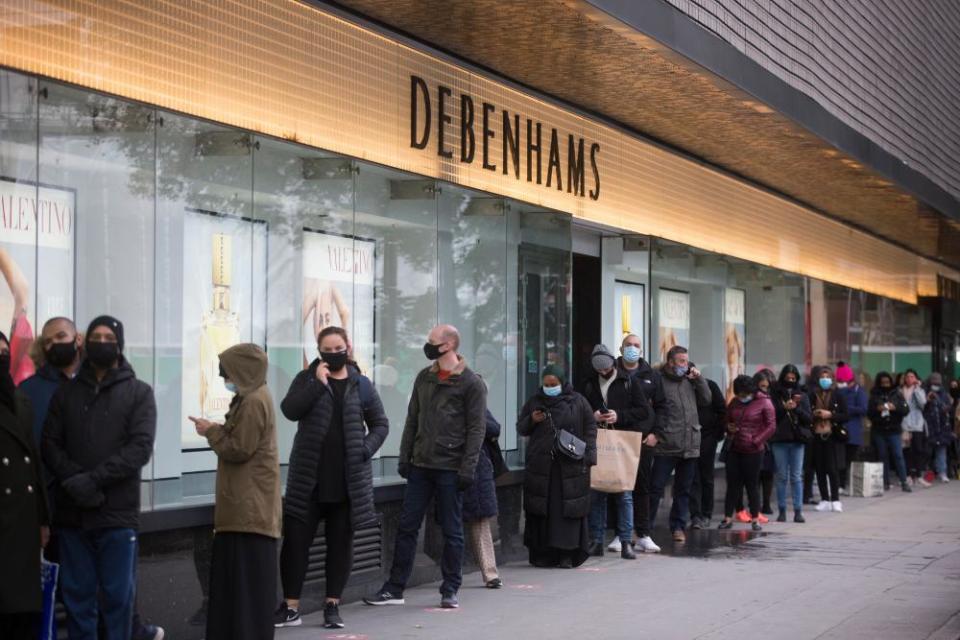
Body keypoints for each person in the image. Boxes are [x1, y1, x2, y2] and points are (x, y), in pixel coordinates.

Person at [23, 318, 163, 640]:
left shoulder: (139, 393)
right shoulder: (66, 393)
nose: (102, 341)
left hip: (116, 517)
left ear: (119, 343)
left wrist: (93, 481)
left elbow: (139, 449)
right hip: (73, 518)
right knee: (78, 601)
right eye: (96, 336)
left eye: (108, 337)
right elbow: (50, 444)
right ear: (85, 343)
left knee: (118, 601)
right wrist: (75, 480)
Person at [273, 328, 388, 630]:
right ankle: (291, 607)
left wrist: (365, 449)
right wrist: (316, 384)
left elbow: (380, 424)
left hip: (348, 482)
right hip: (308, 480)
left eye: (338, 347)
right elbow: (289, 410)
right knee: (295, 543)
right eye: (327, 348)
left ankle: (332, 605)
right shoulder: (306, 379)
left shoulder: (361, 384)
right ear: (319, 350)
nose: (333, 352)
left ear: (348, 347)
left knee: (340, 545)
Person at [364, 325, 486, 610]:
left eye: (432, 341)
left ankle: (450, 588)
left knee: (451, 530)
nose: (427, 345)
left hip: (450, 467)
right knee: (407, 526)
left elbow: (476, 429)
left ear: (448, 345)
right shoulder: (424, 377)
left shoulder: (470, 383)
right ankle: (395, 588)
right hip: (421, 465)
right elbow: (412, 419)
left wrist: (467, 468)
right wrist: (405, 456)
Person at [189, 343, 280, 640]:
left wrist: (211, 432)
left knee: (243, 586)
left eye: (226, 372)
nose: (224, 379)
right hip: (246, 509)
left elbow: (240, 449)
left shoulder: (253, 400)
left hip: (248, 510)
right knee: (241, 586)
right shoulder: (251, 397)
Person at [517, 365, 597, 568]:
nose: (550, 388)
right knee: (542, 510)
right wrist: (532, 420)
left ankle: (567, 554)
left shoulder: (577, 401)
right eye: (546, 385)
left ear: (562, 383)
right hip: (542, 466)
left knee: (566, 510)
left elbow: (589, 428)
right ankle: (544, 554)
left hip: (569, 466)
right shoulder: (535, 401)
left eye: (554, 385)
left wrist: (589, 457)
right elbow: (521, 428)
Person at [0, 331, 51, 639]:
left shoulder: (20, 400)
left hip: (22, 524)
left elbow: (33, 461)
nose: (1, 357)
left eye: (4, 352)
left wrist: (43, 518)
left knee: (21, 615)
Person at [579, 344, 648, 559]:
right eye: (599, 369)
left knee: (624, 494)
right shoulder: (588, 383)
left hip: (621, 442)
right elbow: (579, 412)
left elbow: (644, 411)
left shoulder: (629, 382)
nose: (603, 372)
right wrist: (593, 416)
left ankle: (626, 541)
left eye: (606, 368)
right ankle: (596, 541)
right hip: (597, 441)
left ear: (612, 363)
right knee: (596, 492)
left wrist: (619, 416)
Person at [647, 346, 710, 543]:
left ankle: (678, 527)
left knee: (683, 490)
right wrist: (656, 433)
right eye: (681, 361)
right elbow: (651, 408)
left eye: (686, 361)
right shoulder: (659, 380)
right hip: (666, 443)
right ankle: (644, 528)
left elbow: (707, 399)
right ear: (671, 362)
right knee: (655, 488)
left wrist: (698, 379)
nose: (685, 364)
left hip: (690, 444)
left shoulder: (690, 381)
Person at [615, 334, 665, 553]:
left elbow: (663, 406)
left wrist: (657, 433)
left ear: (641, 350)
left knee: (642, 486)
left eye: (636, 346)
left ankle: (643, 533)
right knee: (617, 486)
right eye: (629, 345)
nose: (632, 349)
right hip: (618, 436)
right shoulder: (613, 372)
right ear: (621, 348)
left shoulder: (652, 376)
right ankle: (620, 533)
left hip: (644, 438)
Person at [718, 375, 775, 531]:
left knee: (752, 485)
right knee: (733, 485)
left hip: (754, 450)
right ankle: (727, 518)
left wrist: (756, 441)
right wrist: (728, 427)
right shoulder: (734, 402)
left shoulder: (764, 402)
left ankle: (755, 519)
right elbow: (726, 420)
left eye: (744, 394)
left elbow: (771, 426)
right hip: (735, 448)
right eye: (739, 394)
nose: (742, 397)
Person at [462, 408, 504, 588]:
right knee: (452, 524)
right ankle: (452, 574)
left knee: (480, 522)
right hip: (449, 466)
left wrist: (474, 418)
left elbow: (495, 429)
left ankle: (490, 573)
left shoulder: (478, 408)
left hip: (477, 470)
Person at [768, 364, 812, 523]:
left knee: (796, 476)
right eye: (788, 378)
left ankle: (798, 511)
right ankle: (781, 511)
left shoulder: (803, 395)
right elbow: (771, 417)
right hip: (780, 440)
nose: (791, 381)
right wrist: (783, 408)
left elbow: (808, 419)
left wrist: (797, 408)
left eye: (794, 379)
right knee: (781, 476)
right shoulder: (775, 394)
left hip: (797, 439)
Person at [808, 365, 849, 512]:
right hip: (817, 435)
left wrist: (830, 415)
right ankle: (824, 499)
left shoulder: (838, 395)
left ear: (832, 379)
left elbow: (846, 415)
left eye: (827, 377)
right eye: (822, 377)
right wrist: (816, 413)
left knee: (832, 469)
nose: (824, 380)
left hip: (832, 435)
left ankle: (836, 499)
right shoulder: (813, 395)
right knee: (820, 469)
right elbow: (807, 413)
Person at [689, 374, 725, 530]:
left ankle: (706, 513)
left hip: (707, 437)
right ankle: (695, 514)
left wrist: (717, 434)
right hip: (689, 438)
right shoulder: (682, 387)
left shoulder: (711, 385)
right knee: (692, 478)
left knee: (706, 477)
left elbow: (722, 410)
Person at [868, 372, 912, 492]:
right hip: (879, 429)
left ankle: (904, 481)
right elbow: (869, 412)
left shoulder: (897, 394)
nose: (885, 385)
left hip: (894, 429)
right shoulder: (874, 395)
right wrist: (878, 409)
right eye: (883, 383)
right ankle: (885, 482)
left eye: (887, 382)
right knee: (883, 456)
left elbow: (906, 409)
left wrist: (895, 408)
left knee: (898, 455)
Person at [835, 362, 867, 494]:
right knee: (840, 460)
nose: (841, 383)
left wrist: (846, 409)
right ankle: (840, 485)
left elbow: (863, 409)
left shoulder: (859, 392)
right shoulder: (838, 391)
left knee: (851, 460)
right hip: (840, 431)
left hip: (853, 432)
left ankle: (853, 485)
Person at [900, 369, 930, 487]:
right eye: (907, 376)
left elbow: (923, 403)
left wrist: (917, 389)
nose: (909, 379)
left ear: (916, 378)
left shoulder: (920, 390)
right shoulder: (900, 391)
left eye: (912, 376)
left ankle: (918, 475)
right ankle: (908, 475)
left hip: (917, 424)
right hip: (904, 425)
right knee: (906, 450)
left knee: (918, 449)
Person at [924, 373, 954, 484]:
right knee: (928, 452)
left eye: (938, 382)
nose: (936, 384)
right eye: (934, 382)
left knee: (941, 451)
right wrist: (927, 400)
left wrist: (947, 408)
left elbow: (949, 407)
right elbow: (922, 407)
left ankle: (942, 473)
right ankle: (927, 472)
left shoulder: (944, 394)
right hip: (929, 426)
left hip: (942, 427)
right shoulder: (925, 392)